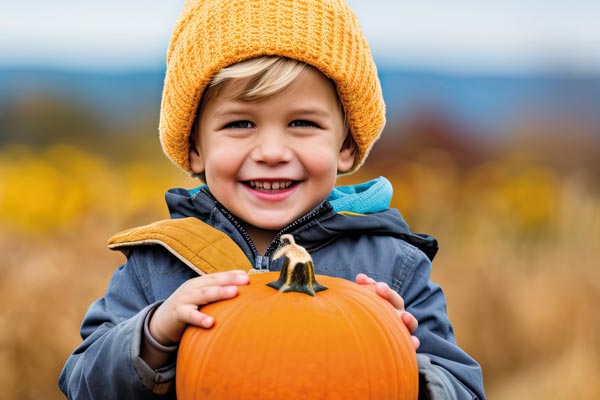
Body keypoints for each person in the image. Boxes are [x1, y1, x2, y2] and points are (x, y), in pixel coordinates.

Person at [59, 0, 485, 398]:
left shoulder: (393, 266)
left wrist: (401, 358)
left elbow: (463, 387)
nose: (272, 151)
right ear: (195, 147)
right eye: (241, 123)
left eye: (302, 122)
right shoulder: (157, 266)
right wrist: (153, 334)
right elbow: (81, 383)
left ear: (346, 146)